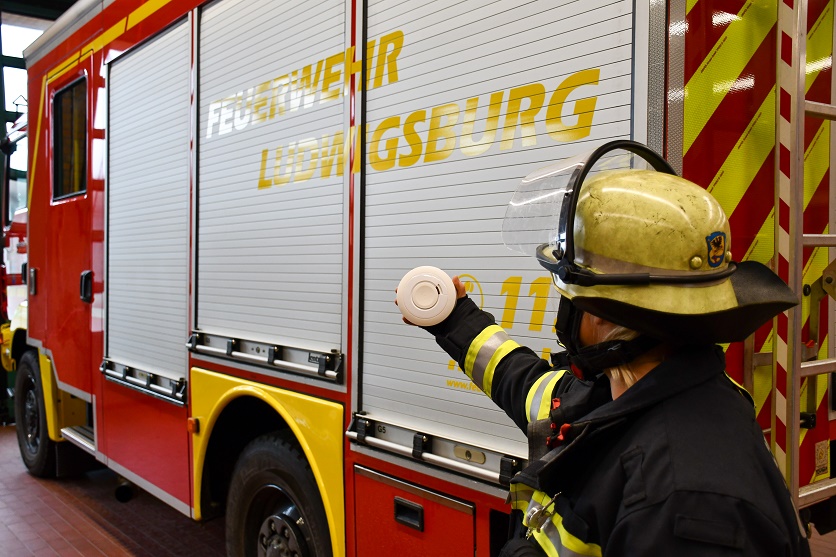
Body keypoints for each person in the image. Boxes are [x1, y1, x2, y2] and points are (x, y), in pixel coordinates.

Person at [398, 141, 811, 556]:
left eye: (570, 294)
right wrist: (452, 318)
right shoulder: (631, 392)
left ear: (603, 315)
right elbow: (527, 385)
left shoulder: (686, 506)